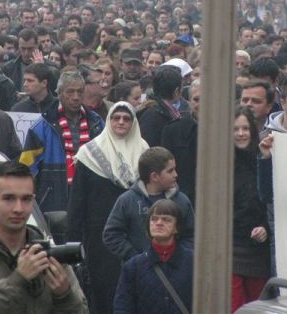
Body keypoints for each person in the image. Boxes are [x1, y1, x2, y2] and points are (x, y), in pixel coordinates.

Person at [0, 161, 88, 314]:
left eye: (26, 199)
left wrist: (64, 296)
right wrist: (18, 279)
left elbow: (81, 310)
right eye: (9, 198)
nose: (18, 208)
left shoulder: (49, 255)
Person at [67, 101, 148, 314]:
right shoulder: (89, 153)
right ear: (109, 120)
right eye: (116, 118)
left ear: (133, 122)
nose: (121, 122)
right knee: (104, 293)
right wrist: (72, 244)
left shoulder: (145, 153)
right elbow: (77, 203)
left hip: (136, 239)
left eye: (126, 118)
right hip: (99, 239)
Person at [19, 71, 104, 212]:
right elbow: (26, 169)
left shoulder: (97, 123)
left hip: (91, 198)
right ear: (59, 93)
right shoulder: (42, 127)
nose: (76, 97)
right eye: (70, 92)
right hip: (54, 202)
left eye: (80, 92)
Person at [103, 146, 194, 262]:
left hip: (174, 271)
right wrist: (134, 257)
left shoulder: (181, 201)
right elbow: (111, 234)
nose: (176, 174)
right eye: (170, 171)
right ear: (154, 176)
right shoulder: (127, 200)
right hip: (138, 275)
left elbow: (191, 235)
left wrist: (178, 257)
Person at [113, 199, 194, 314]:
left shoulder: (193, 263)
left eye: (166, 219)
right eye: (154, 219)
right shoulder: (133, 267)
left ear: (177, 227)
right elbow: (122, 307)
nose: (159, 223)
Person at [231, 107, 270, 312]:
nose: (241, 134)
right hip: (230, 249)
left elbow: (270, 201)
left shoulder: (263, 159)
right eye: (235, 129)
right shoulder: (222, 163)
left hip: (258, 252)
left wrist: (265, 228)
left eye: (245, 128)